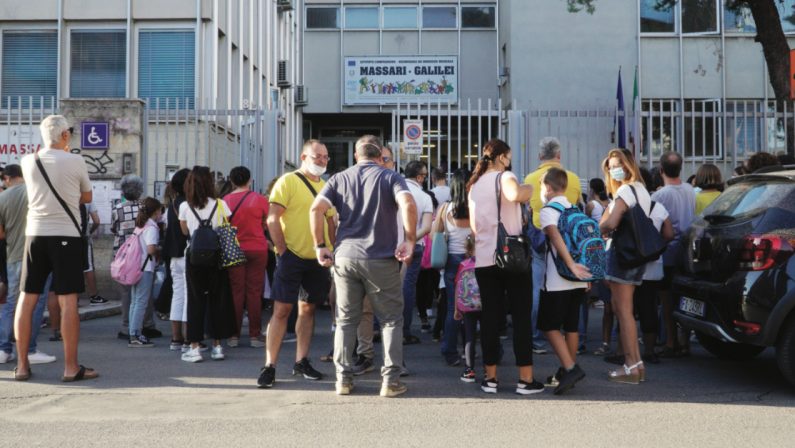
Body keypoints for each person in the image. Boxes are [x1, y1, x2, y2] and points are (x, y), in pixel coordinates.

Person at [310, 134, 417, 397]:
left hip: (345, 256)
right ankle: (390, 382)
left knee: (346, 320)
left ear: (356, 155)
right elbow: (408, 203)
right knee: (391, 319)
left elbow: (315, 209)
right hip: (380, 257)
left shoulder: (338, 178)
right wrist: (410, 240)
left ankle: (343, 380)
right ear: (380, 155)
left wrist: (320, 245)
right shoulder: (391, 177)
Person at [15, 114, 97, 382]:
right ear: (64, 135)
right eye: (69, 133)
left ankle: (22, 366)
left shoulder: (28, 161)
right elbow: (86, 197)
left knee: (27, 298)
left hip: (35, 234)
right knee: (68, 299)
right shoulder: (76, 160)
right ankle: (71, 367)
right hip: (66, 235)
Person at [257, 140, 336, 388]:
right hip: (292, 257)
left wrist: (332, 250)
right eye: (317, 156)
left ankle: (301, 361)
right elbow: (272, 218)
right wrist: (282, 251)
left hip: (318, 260)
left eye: (325, 157)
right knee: (281, 310)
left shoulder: (326, 186)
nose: (322, 160)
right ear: (304, 156)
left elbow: (332, 221)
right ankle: (269, 365)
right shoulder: (288, 181)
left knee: (308, 310)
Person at [468, 138, 542, 395]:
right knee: (521, 317)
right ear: (500, 157)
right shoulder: (505, 177)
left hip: (485, 258)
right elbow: (515, 195)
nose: (509, 161)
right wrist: (530, 188)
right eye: (508, 157)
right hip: (512, 259)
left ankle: (490, 379)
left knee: (490, 318)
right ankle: (525, 379)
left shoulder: (474, 185)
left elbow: (475, 228)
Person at [523, 137, 582, 355]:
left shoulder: (530, 178)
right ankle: (576, 338)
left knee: (538, 287)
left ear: (540, 156)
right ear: (559, 155)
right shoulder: (573, 179)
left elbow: (527, 209)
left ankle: (538, 338)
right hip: (570, 239)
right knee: (574, 289)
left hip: (540, 237)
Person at [598, 148, 650, 384]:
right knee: (625, 311)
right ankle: (637, 364)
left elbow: (609, 223)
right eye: (610, 166)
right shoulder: (641, 189)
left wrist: (599, 224)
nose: (614, 169)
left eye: (618, 164)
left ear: (629, 164)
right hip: (636, 257)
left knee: (624, 312)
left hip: (622, 256)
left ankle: (631, 366)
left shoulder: (626, 190)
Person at [537, 168, 590, 394]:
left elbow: (555, 237)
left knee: (548, 325)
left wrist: (569, 264)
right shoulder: (575, 208)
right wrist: (585, 274)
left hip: (559, 277)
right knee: (570, 325)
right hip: (579, 278)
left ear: (548, 188)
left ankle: (570, 368)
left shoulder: (549, 210)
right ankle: (565, 369)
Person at [0, 164, 56, 365]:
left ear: (7, 178)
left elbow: (1, 234)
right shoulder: (35, 192)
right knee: (36, 303)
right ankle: (29, 349)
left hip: (13, 256)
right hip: (38, 256)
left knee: (11, 303)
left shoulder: (2, 198)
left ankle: (3, 349)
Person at [178, 166, 235, 363]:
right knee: (218, 300)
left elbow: (185, 232)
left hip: (194, 258)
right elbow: (225, 228)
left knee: (195, 301)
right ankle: (217, 346)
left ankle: (194, 347)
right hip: (217, 257)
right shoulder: (220, 204)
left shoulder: (185, 207)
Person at [651, 151, 695, 358]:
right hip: (686, 251)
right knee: (684, 299)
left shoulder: (659, 195)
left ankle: (670, 341)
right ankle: (684, 341)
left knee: (667, 301)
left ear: (661, 170)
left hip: (667, 253)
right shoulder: (690, 190)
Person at [225, 166, 269, 348]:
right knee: (254, 292)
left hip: (234, 249)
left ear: (232, 181)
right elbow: (267, 223)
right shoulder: (259, 200)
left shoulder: (225, 200)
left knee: (236, 292)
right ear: (250, 180)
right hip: (258, 248)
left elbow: (223, 225)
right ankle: (254, 335)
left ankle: (233, 335)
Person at [633, 167, 675, 365]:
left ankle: (628, 352)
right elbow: (669, 234)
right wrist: (655, 245)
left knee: (627, 311)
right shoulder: (657, 207)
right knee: (649, 308)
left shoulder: (627, 205)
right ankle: (649, 350)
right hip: (653, 266)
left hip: (630, 265)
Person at [112, 175, 161, 341]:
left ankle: (127, 326)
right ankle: (146, 325)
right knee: (143, 295)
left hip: (123, 255)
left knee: (127, 295)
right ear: (140, 191)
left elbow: (114, 228)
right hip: (142, 257)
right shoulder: (144, 208)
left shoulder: (117, 208)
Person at [435, 169, 472, 366]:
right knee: (475, 307)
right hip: (472, 261)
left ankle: (449, 350)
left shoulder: (445, 208)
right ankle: (471, 348)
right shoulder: (476, 208)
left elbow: (435, 234)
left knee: (453, 308)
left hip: (451, 261)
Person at [401, 161, 433, 345]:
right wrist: (409, 241)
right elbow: (427, 227)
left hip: (390, 245)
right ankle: (404, 330)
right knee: (407, 287)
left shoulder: (393, 191)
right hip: (414, 247)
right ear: (420, 177)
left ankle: (376, 326)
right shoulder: (424, 197)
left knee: (384, 287)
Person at [162, 168, 190, 352]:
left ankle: (176, 337)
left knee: (178, 295)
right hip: (188, 253)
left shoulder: (171, 205)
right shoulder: (188, 205)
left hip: (173, 254)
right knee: (189, 296)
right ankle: (190, 338)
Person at [128, 198, 162, 348]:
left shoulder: (140, 226)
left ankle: (132, 332)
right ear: (155, 211)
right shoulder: (151, 228)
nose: (161, 213)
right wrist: (160, 249)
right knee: (141, 302)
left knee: (135, 302)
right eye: (160, 210)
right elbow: (150, 250)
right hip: (145, 267)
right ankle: (136, 334)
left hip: (135, 267)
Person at [454, 235, 479, 382]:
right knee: (489, 335)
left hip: (468, 306)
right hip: (486, 305)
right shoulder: (490, 263)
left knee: (469, 337)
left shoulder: (464, 265)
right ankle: (490, 370)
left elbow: (458, 286)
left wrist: (457, 308)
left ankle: (469, 370)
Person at [80, 201, 106, 305]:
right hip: (83, 239)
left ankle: (72, 297)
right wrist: (89, 232)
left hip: (67, 239)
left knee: (72, 267)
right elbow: (96, 221)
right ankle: (94, 296)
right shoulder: (87, 200)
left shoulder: (66, 194)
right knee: (88, 267)